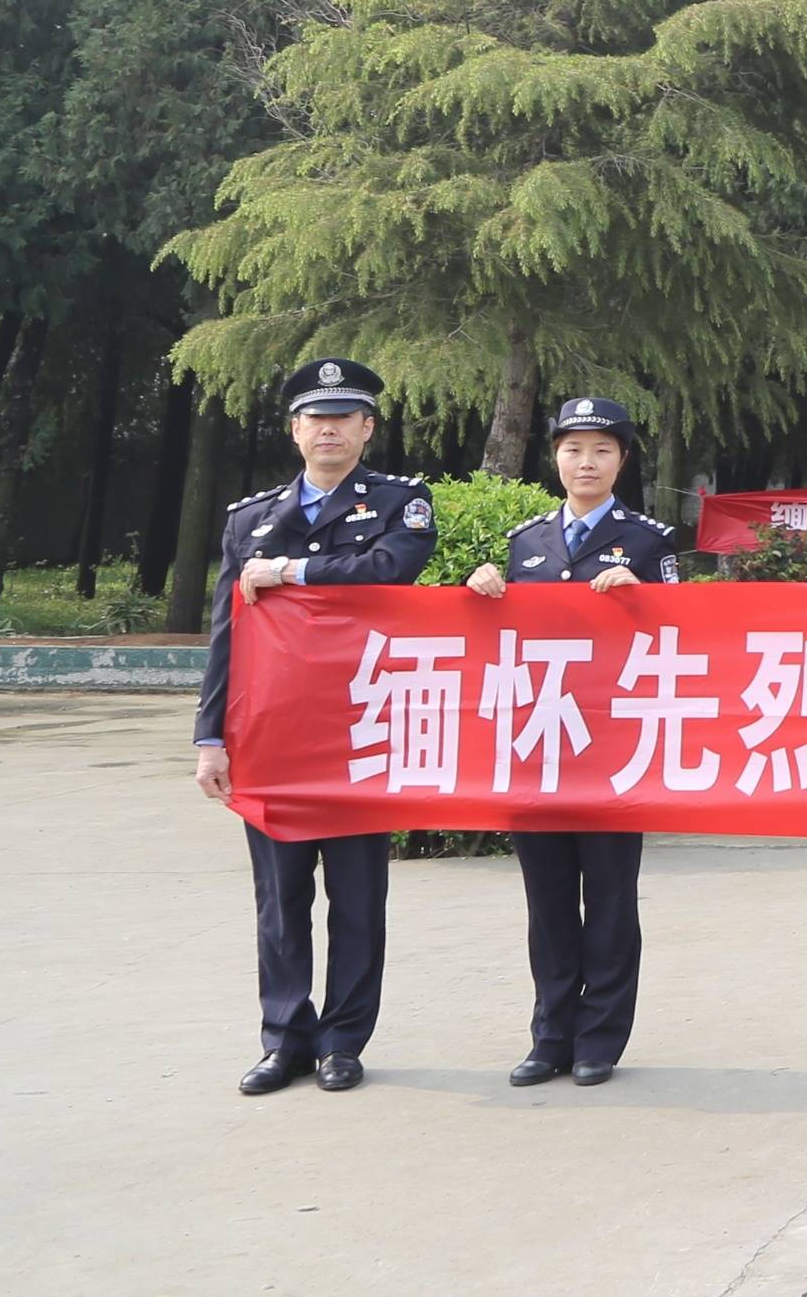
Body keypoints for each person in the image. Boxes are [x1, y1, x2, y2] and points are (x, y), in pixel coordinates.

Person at [191, 357, 439, 1096]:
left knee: (359, 900)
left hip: (362, 732)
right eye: (314, 417)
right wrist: (210, 737)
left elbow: (390, 568)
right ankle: (284, 1037)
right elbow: (224, 636)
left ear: (367, 427)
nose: (327, 428)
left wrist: (292, 571)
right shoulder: (248, 519)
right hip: (272, 741)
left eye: (344, 416)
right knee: (280, 898)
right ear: (295, 429)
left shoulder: (401, 503)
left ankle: (343, 1041)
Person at [462, 394, 680, 1085]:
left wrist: (645, 594)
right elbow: (497, 636)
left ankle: (599, 1039)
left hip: (616, 749)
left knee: (611, 898)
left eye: (602, 450)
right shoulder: (526, 541)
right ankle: (550, 1033)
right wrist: (479, 585)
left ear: (622, 459)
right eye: (573, 449)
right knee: (547, 897)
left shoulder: (650, 539)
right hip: (541, 746)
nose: (586, 462)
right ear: (554, 456)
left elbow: (690, 634)